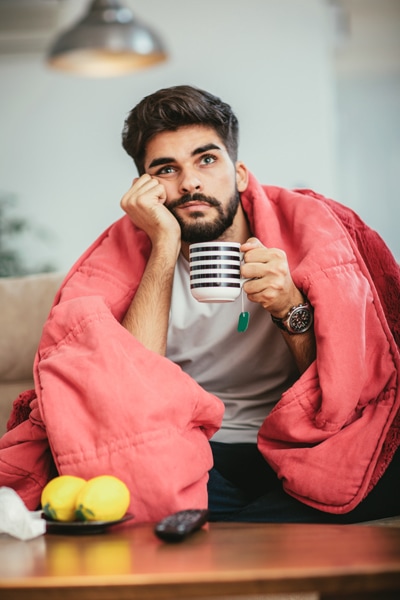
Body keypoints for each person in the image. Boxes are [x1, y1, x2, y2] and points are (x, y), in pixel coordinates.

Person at [1, 85, 399, 524]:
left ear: (241, 174)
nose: (190, 181)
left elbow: (343, 391)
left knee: (378, 467)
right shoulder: (127, 258)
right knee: (115, 473)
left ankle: (213, 524)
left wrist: (291, 309)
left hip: (296, 444)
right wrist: (163, 244)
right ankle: (255, 525)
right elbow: (128, 393)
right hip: (191, 451)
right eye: (166, 169)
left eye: (206, 159)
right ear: (144, 188)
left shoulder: (305, 236)